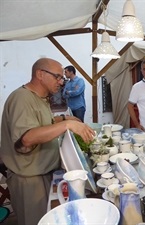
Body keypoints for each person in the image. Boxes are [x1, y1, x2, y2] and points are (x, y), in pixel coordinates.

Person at [0, 58, 95, 225]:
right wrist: (68, 124)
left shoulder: (40, 98)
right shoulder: (22, 99)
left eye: (62, 78)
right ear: (40, 74)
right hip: (30, 181)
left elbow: (44, 125)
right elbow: (27, 139)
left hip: (44, 174)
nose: (61, 82)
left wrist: (66, 118)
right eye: (57, 77)